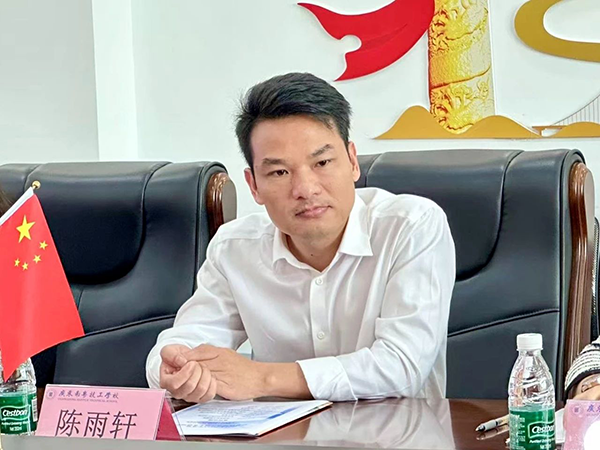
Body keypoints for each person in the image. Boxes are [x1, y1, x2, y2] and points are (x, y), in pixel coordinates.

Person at [145, 72, 456, 403]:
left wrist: (263, 378)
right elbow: (188, 338)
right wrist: (176, 368)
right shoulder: (234, 248)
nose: (306, 189)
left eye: (322, 162)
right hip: (280, 431)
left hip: (396, 429)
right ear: (253, 186)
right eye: (279, 172)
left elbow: (402, 367)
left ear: (352, 161)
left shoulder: (411, 227)